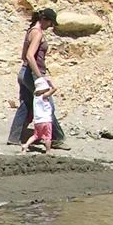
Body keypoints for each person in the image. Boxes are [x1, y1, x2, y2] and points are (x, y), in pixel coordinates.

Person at [7, 8, 68, 150]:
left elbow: (23, 56)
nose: (51, 26)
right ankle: (57, 138)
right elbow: (29, 55)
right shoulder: (38, 33)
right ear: (45, 19)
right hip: (34, 74)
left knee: (26, 105)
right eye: (50, 23)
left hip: (24, 72)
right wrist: (40, 77)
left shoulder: (30, 31)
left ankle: (14, 137)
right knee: (48, 106)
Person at [23, 78, 56, 154]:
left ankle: (26, 145)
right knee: (48, 137)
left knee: (36, 135)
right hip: (46, 120)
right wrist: (50, 83)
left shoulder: (35, 97)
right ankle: (48, 151)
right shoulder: (44, 96)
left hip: (37, 121)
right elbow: (54, 89)